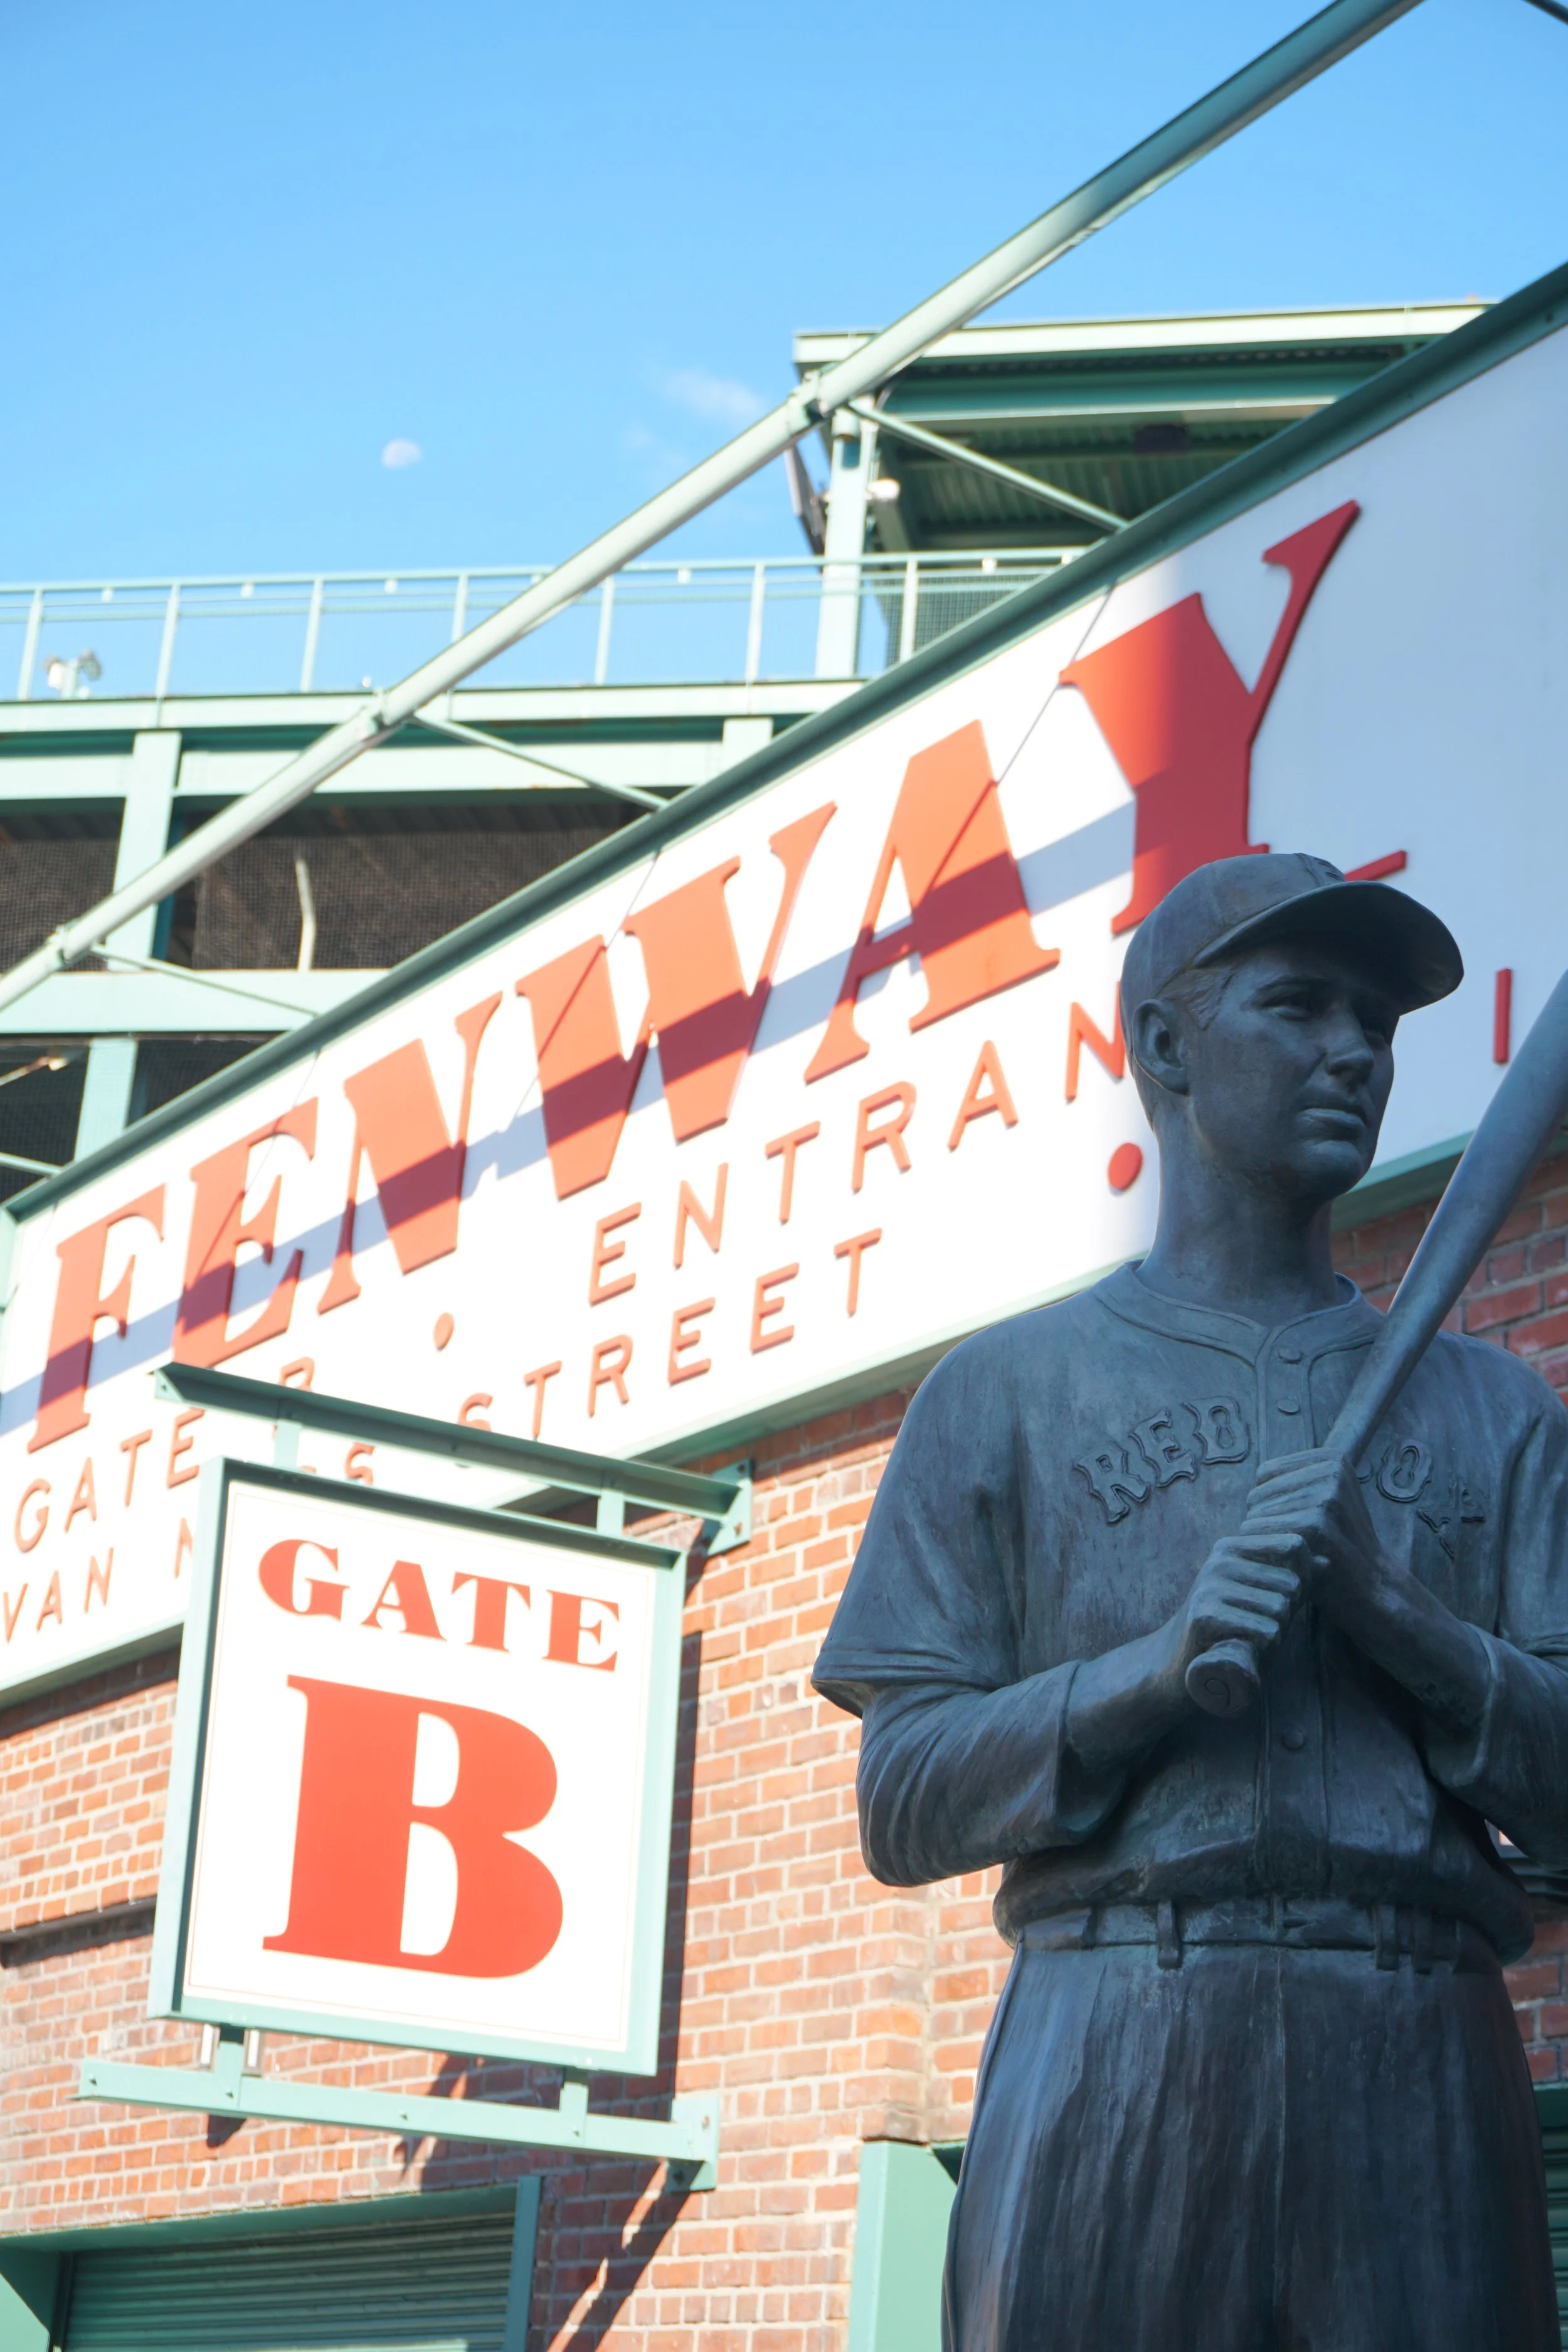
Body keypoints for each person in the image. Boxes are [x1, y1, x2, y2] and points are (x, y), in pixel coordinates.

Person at [812, 852, 1568, 2352]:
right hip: (1114, 2053)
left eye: (1374, 1017)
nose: (1351, 1047)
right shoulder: (1005, 1393)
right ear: (1164, 1047)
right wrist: (1147, 1674)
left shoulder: (1497, 1411)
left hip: (1416, 2050)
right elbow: (900, 1803)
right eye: (1296, 1005)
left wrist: (1395, 1619)